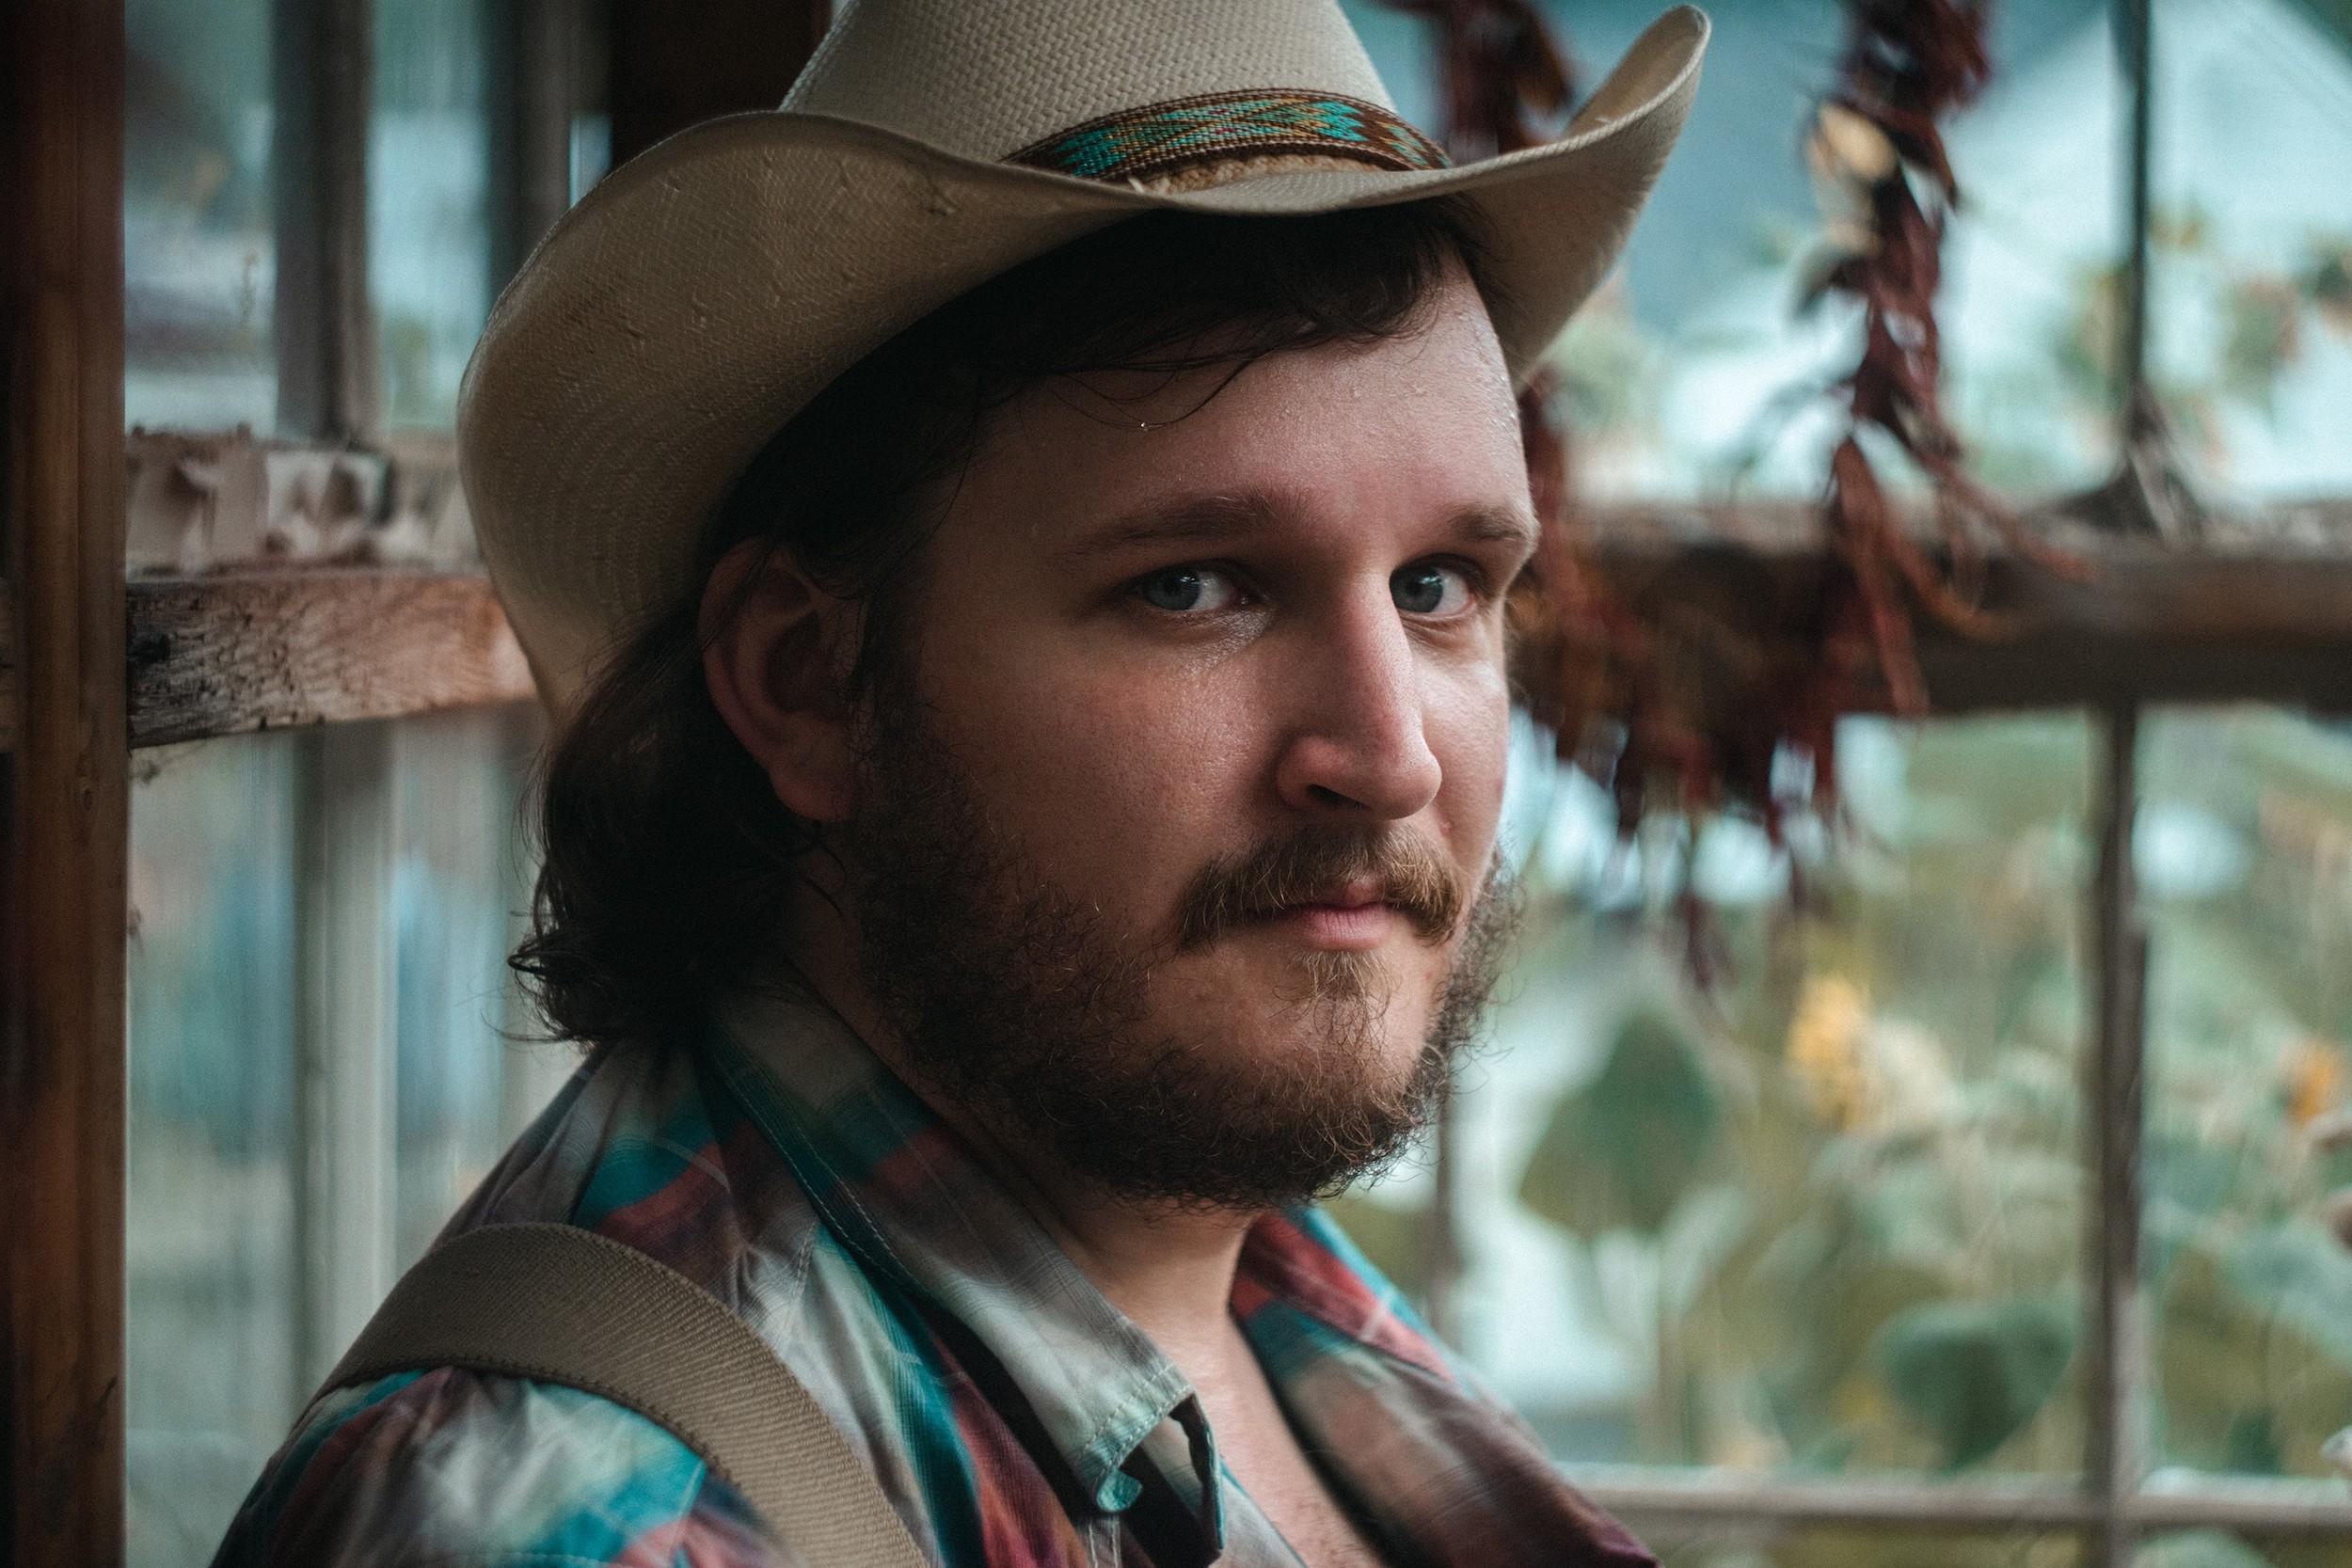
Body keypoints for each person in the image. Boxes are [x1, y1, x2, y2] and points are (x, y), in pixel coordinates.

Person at [215, 1, 1706, 1564]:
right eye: (1193, 587)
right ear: (806, 682)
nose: (1391, 755)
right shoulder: (596, 1524)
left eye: (1439, 587)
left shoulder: (1245, 1283)